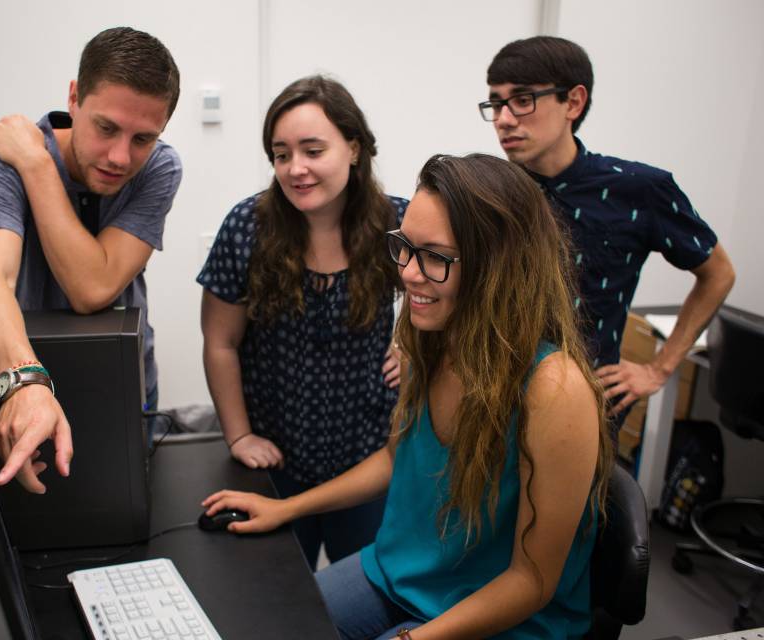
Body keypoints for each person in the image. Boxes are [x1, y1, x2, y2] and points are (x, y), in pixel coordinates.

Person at [203, 154, 614, 639]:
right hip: (400, 575)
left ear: (499, 265)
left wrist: (412, 639)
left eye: (435, 257)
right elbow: (398, 458)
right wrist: (286, 508)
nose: (410, 275)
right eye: (405, 247)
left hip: (507, 617)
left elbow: (532, 581)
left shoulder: (554, 389)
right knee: (272, 623)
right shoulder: (433, 339)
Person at [197, 75, 406, 565]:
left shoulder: (398, 224)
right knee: (275, 602)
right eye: (282, 154)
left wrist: (414, 342)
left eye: (313, 150)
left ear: (354, 148)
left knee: (364, 600)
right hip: (273, 457)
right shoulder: (247, 226)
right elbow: (219, 341)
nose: (296, 169)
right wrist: (239, 435)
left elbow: (451, 297)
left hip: (368, 458)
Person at [0, 27, 182, 493]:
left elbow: (94, 288)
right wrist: (26, 383)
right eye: (106, 128)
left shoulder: (160, 167)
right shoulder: (8, 157)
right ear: (74, 98)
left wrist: (39, 167)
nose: (120, 157)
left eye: (143, 138)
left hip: (122, 379)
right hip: (24, 374)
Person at [481, 36, 735, 425]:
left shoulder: (638, 190)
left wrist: (659, 368)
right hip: (491, 400)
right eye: (496, 103)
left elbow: (718, 273)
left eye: (522, 100)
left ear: (574, 102)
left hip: (582, 411)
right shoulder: (492, 189)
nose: (504, 118)